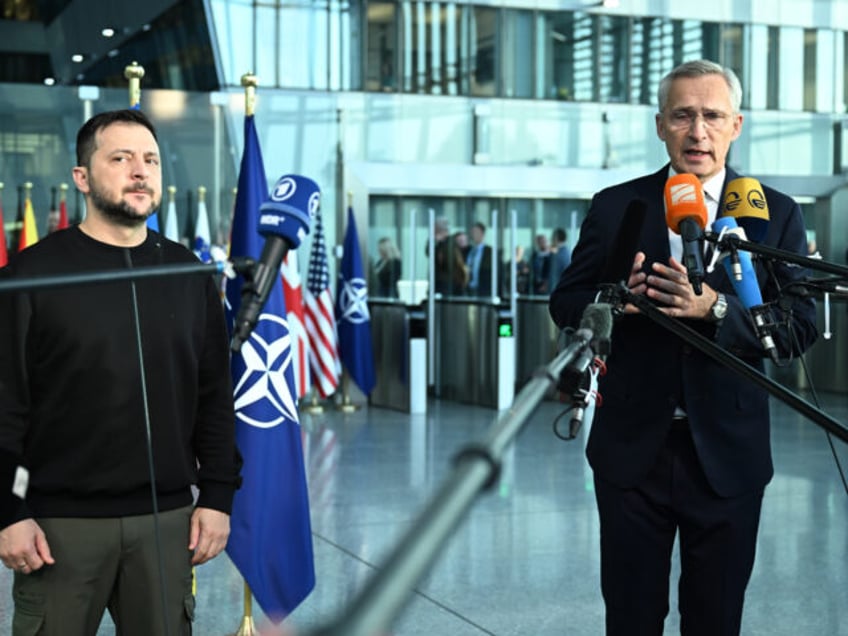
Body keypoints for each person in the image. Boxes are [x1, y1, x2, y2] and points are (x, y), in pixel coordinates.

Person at [549, 60, 818, 635]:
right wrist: (614, 301)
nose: (698, 131)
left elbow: (798, 327)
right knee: (630, 618)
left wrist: (714, 309)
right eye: (684, 115)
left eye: (712, 116)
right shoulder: (618, 205)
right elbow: (566, 300)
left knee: (716, 620)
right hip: (631, 453)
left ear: (736, 125)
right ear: (660, 125)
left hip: (729, 453)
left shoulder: (776, 213)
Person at [0, 109, 242, 635]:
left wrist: (218, 498)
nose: (140, 170)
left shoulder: (189, 273)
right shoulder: (29, 275)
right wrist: (8, 511)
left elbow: (213, 396)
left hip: (167, 523)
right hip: (56, 528)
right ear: (82, 178)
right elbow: (5, 405)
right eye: (121, 158)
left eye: (151, 159)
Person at [465, 221, 493, 297]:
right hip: (470, 289)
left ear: (482, 234)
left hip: (484, 290)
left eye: (476, 232)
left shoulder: (489, 252)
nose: (473, 235)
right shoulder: (469, 251)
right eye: (472, 232)